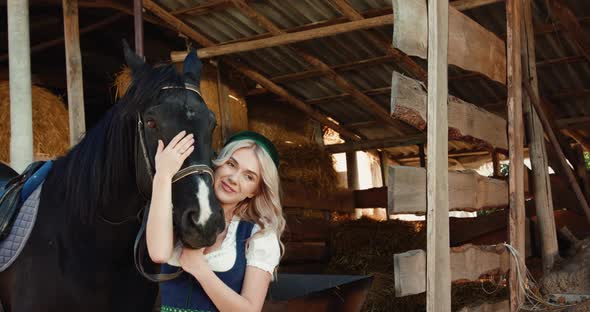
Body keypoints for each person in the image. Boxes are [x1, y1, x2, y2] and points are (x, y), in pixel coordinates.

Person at [146, 130, 285, 312]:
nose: (233, 179)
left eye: (249, 176)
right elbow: (158, 253)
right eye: (231, 164)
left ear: (254, 191)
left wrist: (200, 269)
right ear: (217, 165)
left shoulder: (258, 235)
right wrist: (163, 175)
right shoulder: (179, 213)